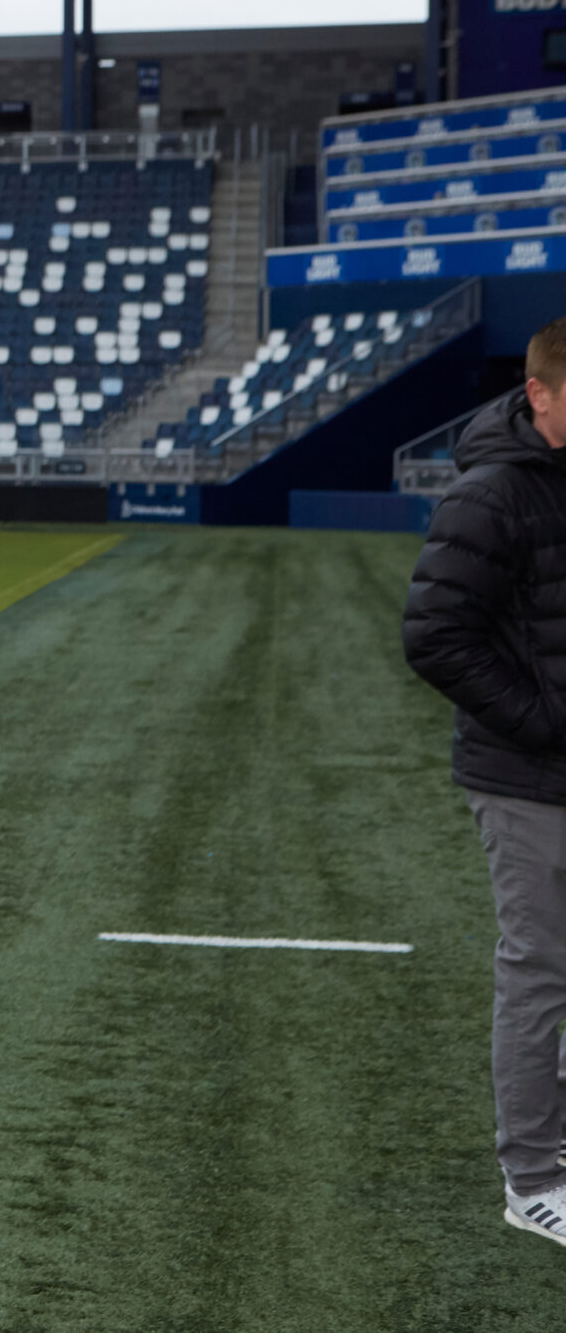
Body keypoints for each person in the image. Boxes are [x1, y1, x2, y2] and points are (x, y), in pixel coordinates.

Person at [406, 316, 566, 1246]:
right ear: (538, 393)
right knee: (539, 971)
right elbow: (434, 636)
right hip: (524, 775)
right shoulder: (492, 490)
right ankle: (531, 1178)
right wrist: (542, 721)